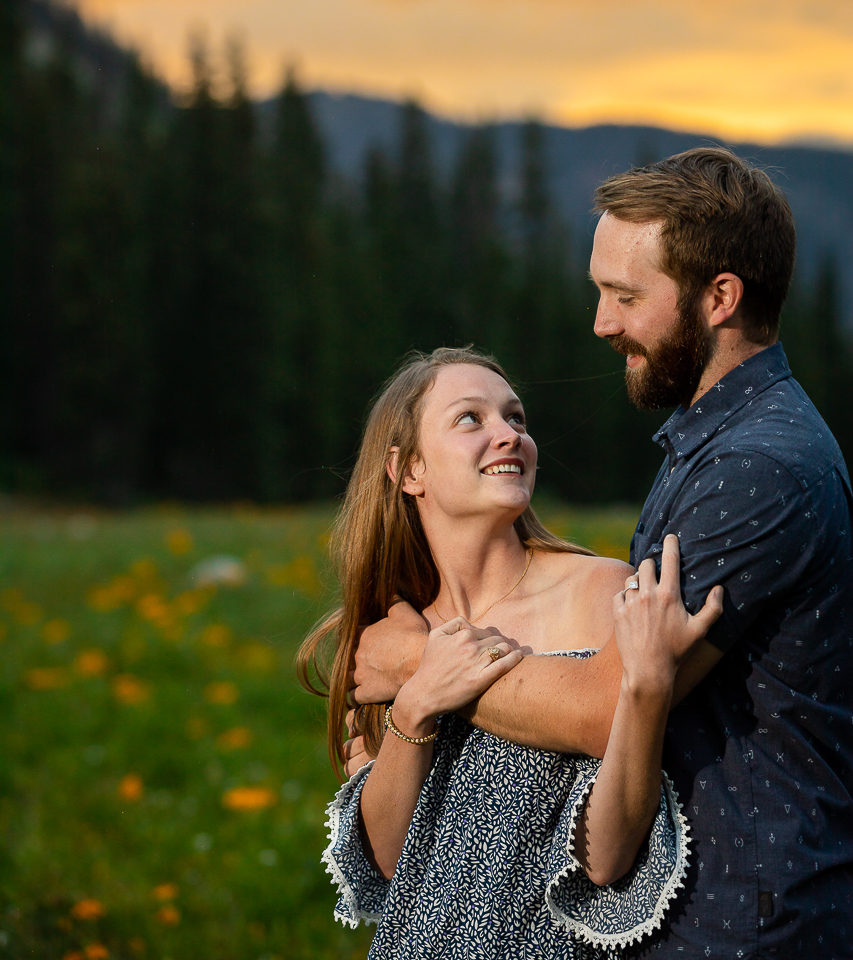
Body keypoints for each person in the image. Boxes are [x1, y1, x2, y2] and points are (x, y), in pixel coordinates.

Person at [350, 148, 853, 958]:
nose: (601, 322)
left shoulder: (753, 468)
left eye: (624, 295)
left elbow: (603, 703)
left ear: (719, 297)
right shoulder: (716, 446)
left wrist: (415, 665)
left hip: (748, 919)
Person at [299, 348, 722, 957]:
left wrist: (646, 686)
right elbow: (393, 866)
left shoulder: (600, 591)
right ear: (409, 470)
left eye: (516, 419)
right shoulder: (388, 637)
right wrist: (416, 707)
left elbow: (606, 859)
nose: (508, 436)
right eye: (471, 419)